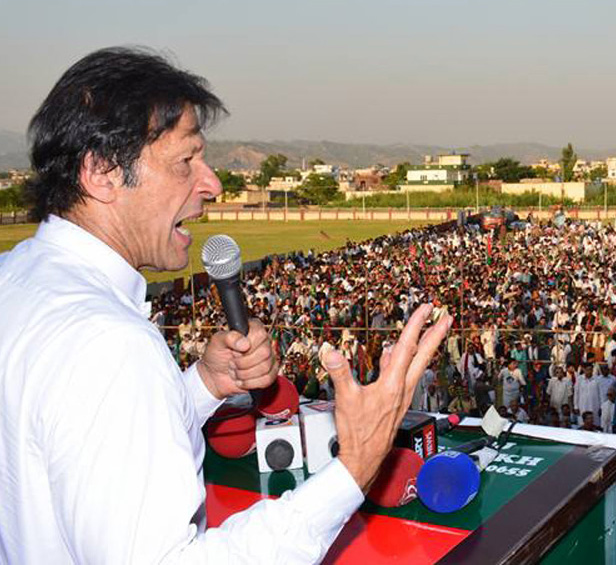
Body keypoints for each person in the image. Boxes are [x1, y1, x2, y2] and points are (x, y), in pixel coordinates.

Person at [0, 47, 452, 563]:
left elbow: (75, 445)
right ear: (102, 171)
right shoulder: (109, 343)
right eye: (185, 161)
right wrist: (356, 466)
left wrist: (205, 385)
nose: (212, 184)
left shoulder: (14, 278)